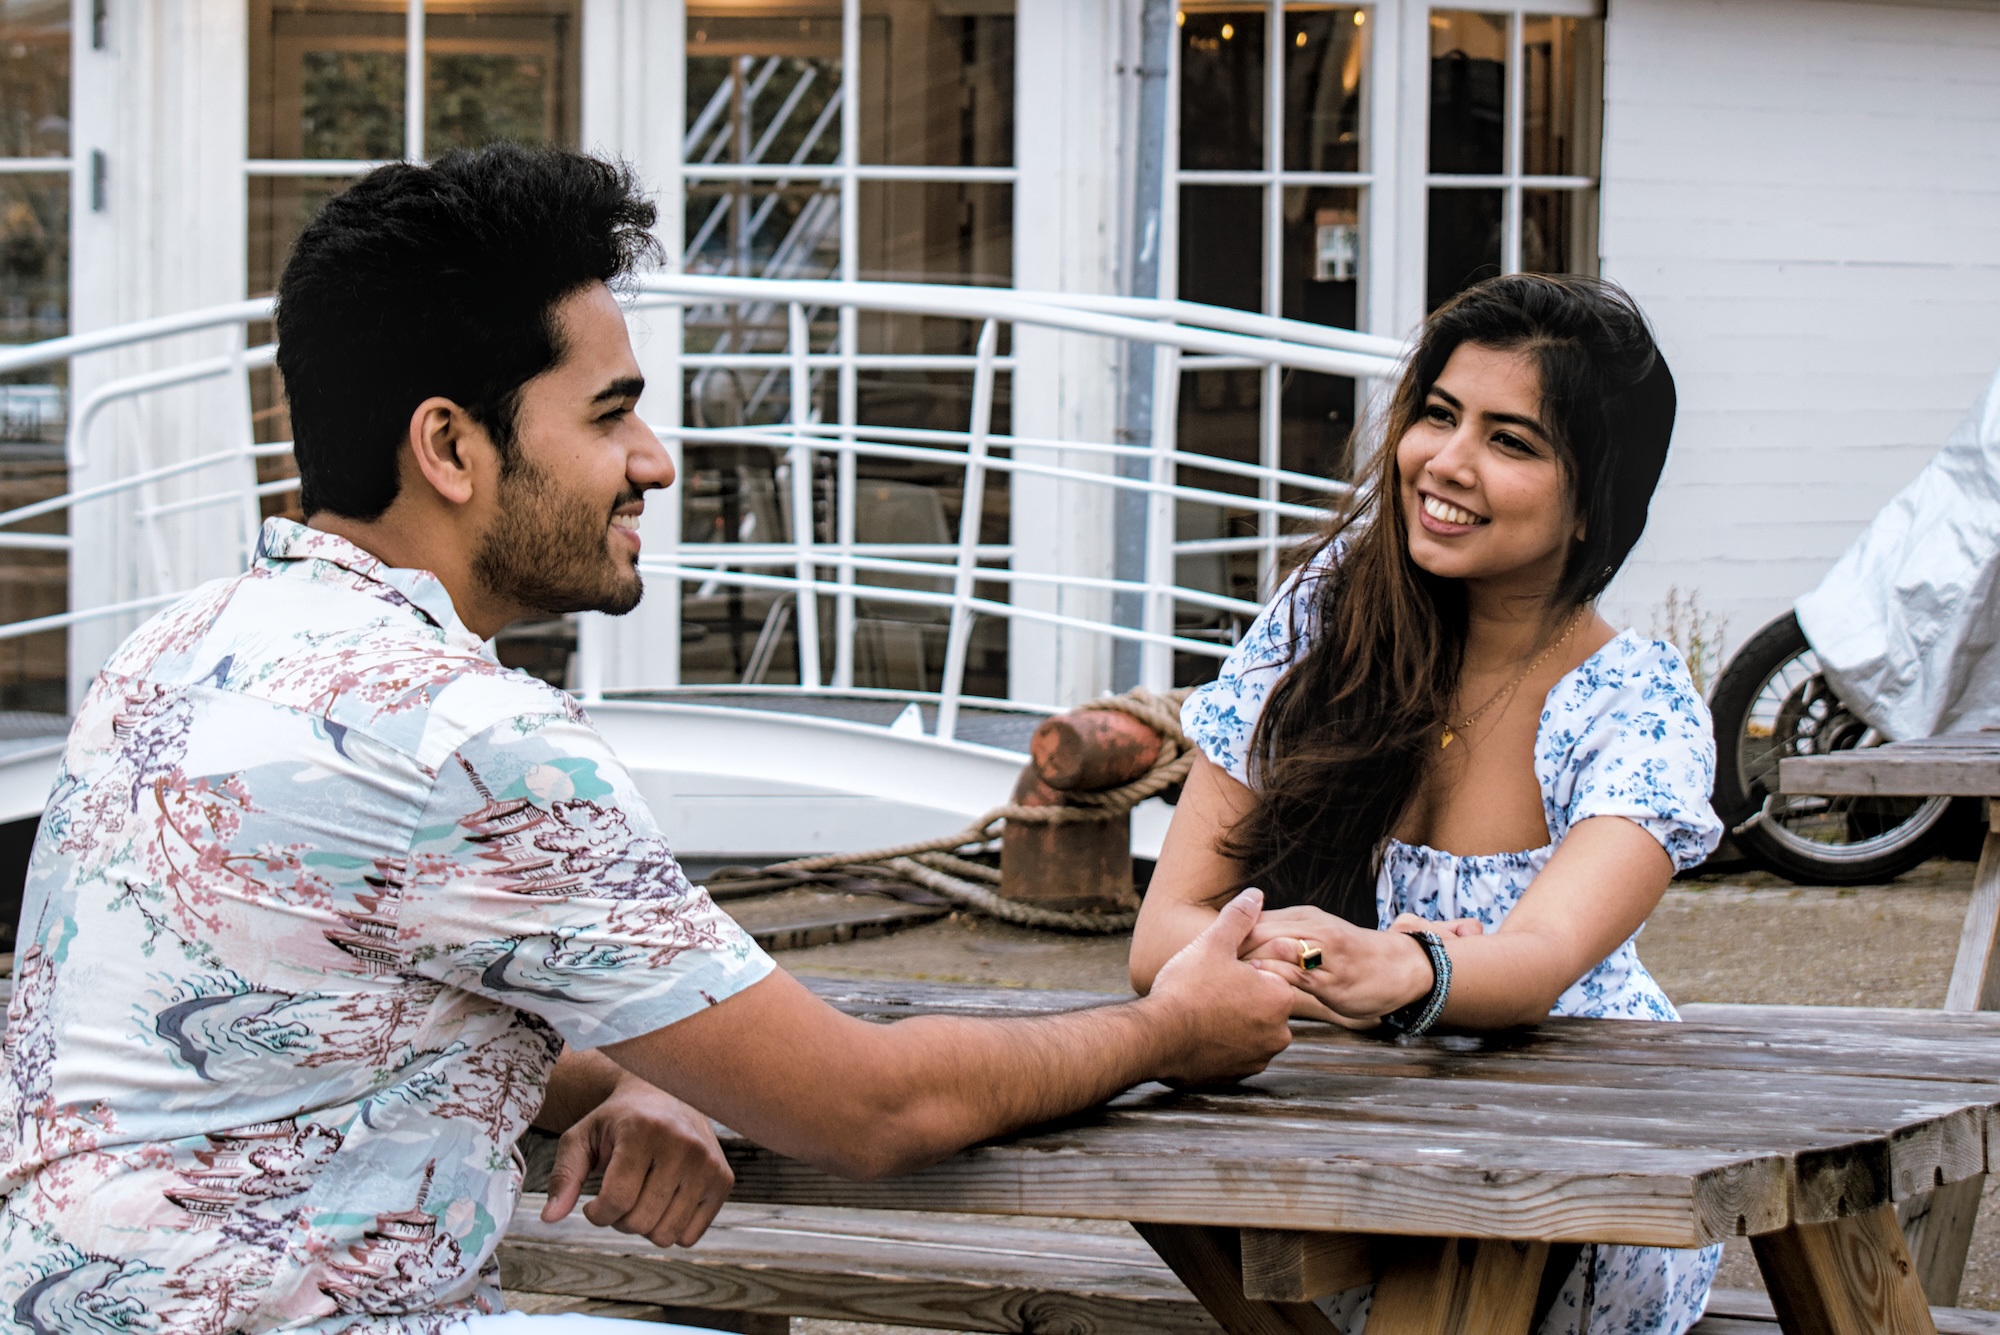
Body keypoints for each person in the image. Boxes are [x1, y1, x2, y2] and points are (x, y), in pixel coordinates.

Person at [0, 145, 1297, 1334]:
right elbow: (872, 1103)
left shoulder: (172, 651)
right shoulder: (470, 736)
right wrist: (1169, 1030)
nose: (657, 460)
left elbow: (308, 1003)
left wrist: (615, 1070)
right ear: (450, 445)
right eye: (611, 412)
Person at [1129, 273, 1723, 1335]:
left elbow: (1540, 961)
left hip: (1577, 1179)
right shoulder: (1319, 625)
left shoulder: (1634, 706)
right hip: (1342, 1144)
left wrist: (1406, 968)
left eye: (1511, 441)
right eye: (1438, 416)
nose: (1442, 463)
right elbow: (1164, 937)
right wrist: (1345, 970)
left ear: (1594, 499)